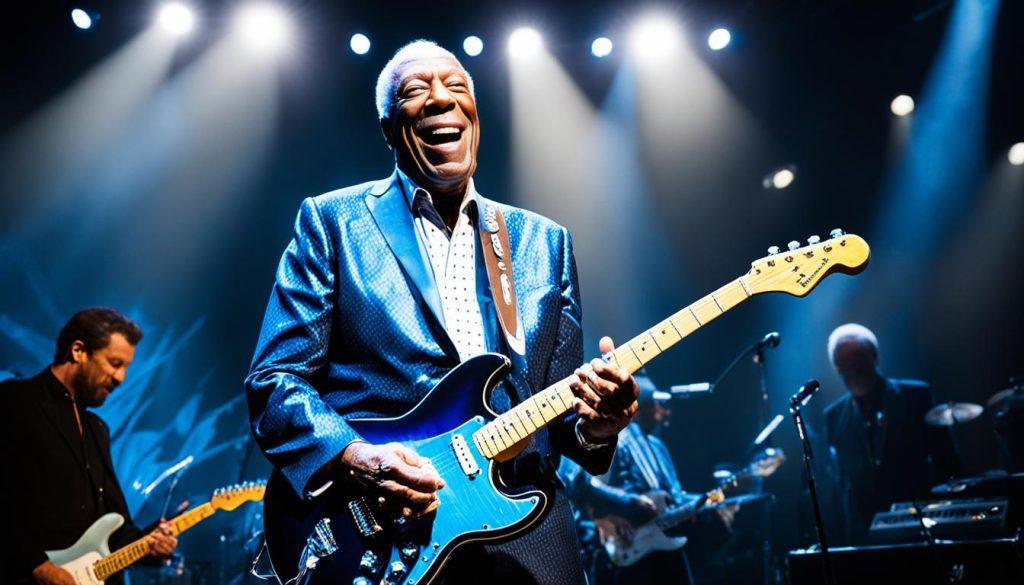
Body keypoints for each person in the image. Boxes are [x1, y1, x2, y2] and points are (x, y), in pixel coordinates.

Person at [244, 40, 639, 584]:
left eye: (456, 87)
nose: (439, 100)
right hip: (381, 540)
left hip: (527, 538)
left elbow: (568, 426)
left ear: (476, 116)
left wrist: (600, 425)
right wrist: (361, 458)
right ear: (388, 128)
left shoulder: (545, 243)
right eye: (414, 91)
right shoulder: (333, 223)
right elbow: (275, 382)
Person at [1, 308, 177, 585]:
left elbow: (114, 522)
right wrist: (39, 566)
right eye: (115, 363)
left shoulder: (98, 429)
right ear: (78, 351)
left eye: (126, 368)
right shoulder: (15, 401)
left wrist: (149, 543)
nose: (121, 378)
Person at [560, 375, 706, 584]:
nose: (667, 411)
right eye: (658, 403)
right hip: (624, 546)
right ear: (640, 407)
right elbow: (578, 483)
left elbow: (675, 494)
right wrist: (630, 503)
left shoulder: (657, 446)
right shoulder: (610, 436)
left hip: (662, 544)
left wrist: (706, 501)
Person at [823, 323, 959, 544]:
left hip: (919, 522)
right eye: (842, 363)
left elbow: (947, 458)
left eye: (856, 358)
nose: (850, 368)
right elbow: (839, 483)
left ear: (874, 357)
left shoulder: (916, 395)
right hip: (865, 532)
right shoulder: (833, 416)